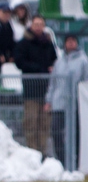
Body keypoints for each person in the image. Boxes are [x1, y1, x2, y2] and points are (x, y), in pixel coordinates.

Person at [15, 15, 57, 156]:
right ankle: (32, 152)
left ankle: (43, 152)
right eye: (36, 24)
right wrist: (39, 69)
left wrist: (50, 68)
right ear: (31, 25)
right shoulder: (24, 43)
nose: (38, 26)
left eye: (41, 24)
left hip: (46, 90)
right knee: (31, 122)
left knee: (44, 124)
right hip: (31, 90)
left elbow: (54, 61)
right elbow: (19, 62)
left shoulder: (48, 43)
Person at [45, 35, 88, 166]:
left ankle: (76, 161)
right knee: (56, 132)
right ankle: (62, 161)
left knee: (76, 134)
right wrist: (49, 100)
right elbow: (53, 82)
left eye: (73, 41)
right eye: (68, 41)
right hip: (59, 103)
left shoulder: (83, 61)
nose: (70, 44)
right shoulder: (59, 62)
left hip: (76, 105)